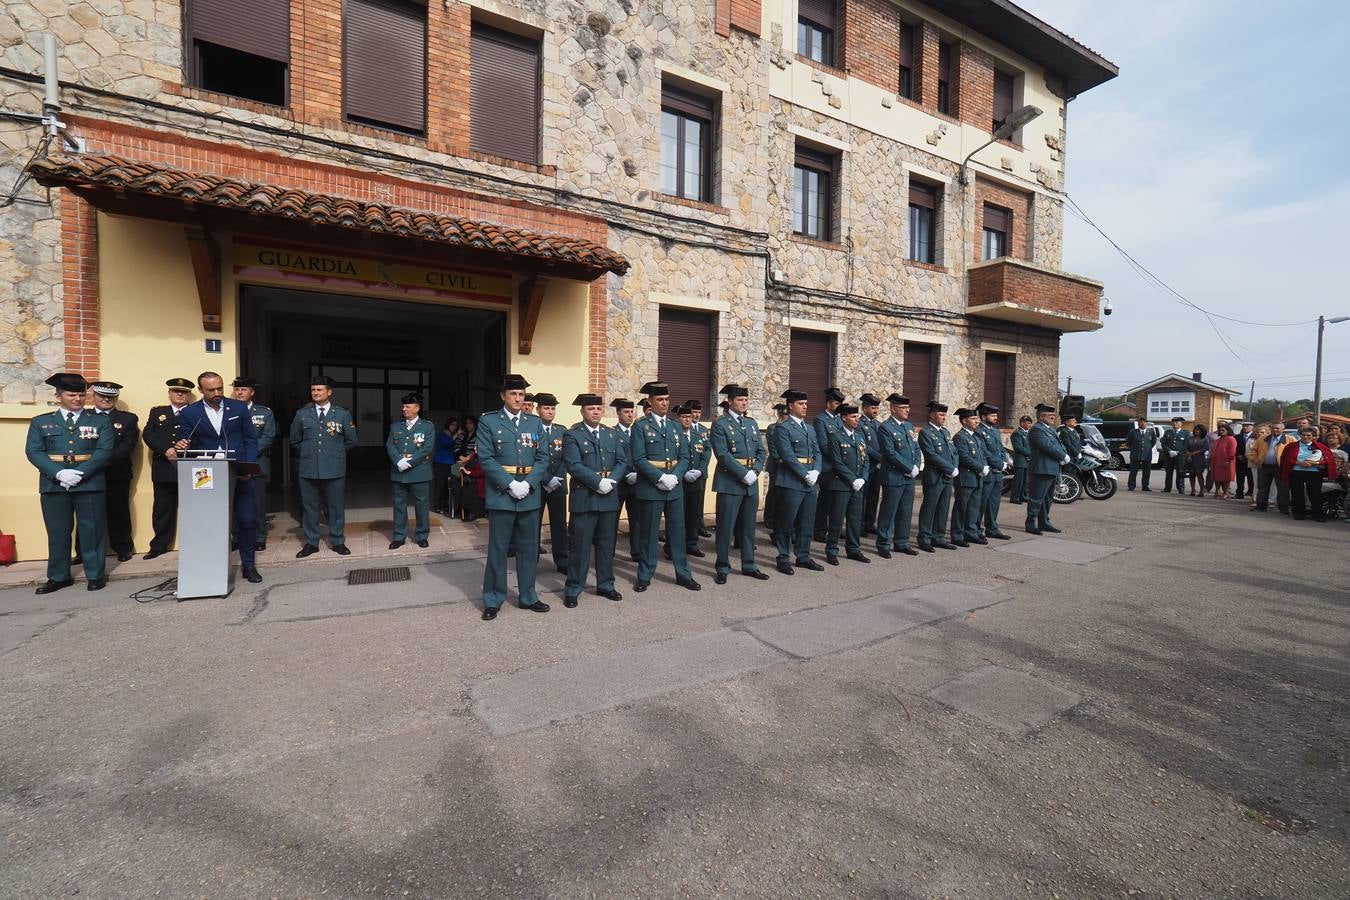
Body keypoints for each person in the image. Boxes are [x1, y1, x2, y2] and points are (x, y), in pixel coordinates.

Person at [26, 373, 114, 593]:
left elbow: (104, 451)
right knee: (57, 532)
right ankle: (58, 576)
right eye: (71, 394)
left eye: (82, 394)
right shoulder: (41, 422)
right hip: (53, 484)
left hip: (90, 482)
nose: (77, 399)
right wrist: (59, 474)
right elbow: (34, 451)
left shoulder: (100, 421)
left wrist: (79, 473)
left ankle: (95, 574)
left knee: (92, 531)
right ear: (58, 395)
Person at [477, 373, 551, 620]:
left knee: (529, 549)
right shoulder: (488, 422)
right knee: (498, 549)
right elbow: (486, 458)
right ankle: (493, 598)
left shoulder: (534, 423)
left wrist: (528, 484)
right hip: (502, 494)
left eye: (521, 394)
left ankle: (528, 596)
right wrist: (510, 484)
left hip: (529, 493)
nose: (518, 398)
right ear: (503, 396)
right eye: (513, 394)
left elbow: (543, 458)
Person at [176, 371, 262, 583]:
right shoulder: (190, 413)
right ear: (200, 390)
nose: (217, 393)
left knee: (247, 519)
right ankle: (212, 566)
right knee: (212, 521)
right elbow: (185, 438)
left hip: (239, 472)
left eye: (220, 388)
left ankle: (249, 565)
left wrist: (248, 467)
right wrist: (181, 444)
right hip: (208, 475)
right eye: (211, 390)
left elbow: (251, 440)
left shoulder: (239, 408)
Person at [631, 380, 700, 592]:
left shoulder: (675, 425)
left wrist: (675, 477)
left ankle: (683, 574)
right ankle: (645, 574)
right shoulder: (641, 426)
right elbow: (639, 458)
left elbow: (685, 456)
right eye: (659, 399)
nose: (664, 403)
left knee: (678, 533)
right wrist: (660, 477)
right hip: (652, 487)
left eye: (667, 399)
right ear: (649, 401)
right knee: (649, 534)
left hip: (674, 488)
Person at [561, 393, 626, 606]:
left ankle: (606, 584)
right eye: (591, 409)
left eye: (598, 408)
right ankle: (573, 587)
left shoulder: (611, 434)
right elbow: (573, 465)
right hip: (586, 498)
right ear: (582, 411)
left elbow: (622, 461)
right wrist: (598, 482)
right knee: (580, 546)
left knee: (607, 545)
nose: (596, 412)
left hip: (609, 497)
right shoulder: (573, 435)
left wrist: (613, 481)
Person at [289, 374, 357, 557]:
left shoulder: (342, 414)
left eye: (319, 390)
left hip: (334, 469)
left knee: (335, 507)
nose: (316, 393)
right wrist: (308, 454)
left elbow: (351, 440)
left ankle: (338, 541)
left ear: (329, 392)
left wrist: (335, 454)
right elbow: (295, 440)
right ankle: (311, 542)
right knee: (310, 507)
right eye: (313, 390)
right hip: (308, 468)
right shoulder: (302, 414)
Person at [709, 383, 769, 584]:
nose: (744, 403)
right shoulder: (720, 424)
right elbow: (723, 455)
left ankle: (749, 565)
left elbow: (761, 451)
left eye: (746, 400)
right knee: (726, 527)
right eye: (740, 400)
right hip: (730, 482)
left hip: (750, 482)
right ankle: (722, 566)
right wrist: (743, 473)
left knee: (748, 527)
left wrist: (756, 471)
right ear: (730, 402)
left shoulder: (751, 424)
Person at [771, 389, 824, 574]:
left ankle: (803, 556)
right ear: (791, 406)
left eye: (806, 404)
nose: (805, 407)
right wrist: (805, 474)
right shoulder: (783, 428)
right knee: (787, 522)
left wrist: (816, 470)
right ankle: (783, 557)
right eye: (801, 404)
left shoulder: (809, 428)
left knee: (806, 522)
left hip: (810, 480)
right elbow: (787, 455)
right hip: (792, 481)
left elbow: (817, 451)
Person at [141, 377, 194, 560]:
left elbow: (205, 434)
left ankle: (195, 543)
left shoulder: (197, 412)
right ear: (169, 393)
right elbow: (148, 433)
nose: (180, 394)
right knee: (162, 509)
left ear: (189, 395)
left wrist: (189, 444)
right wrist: (165, 449)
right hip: (164, 466)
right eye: (176, 391)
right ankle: (159, 545)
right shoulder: (158, 412)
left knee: (194, 508)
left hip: (189, 466)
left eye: (184, 392)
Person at [88, 381, 139, 562]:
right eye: (102, 396)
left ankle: (123, 548)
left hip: (116, 473)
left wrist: (101, 462)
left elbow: (126, 446)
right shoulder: (84, 417)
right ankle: (84, 550)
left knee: (119, 513)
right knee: (88, 514)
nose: (107, 399)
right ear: (93, 397)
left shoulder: (128, 419)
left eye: (111, 396)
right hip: (88, 475)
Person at [823, 403, 870, 564]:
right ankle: (831, 550)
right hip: (841, 485)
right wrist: (852, 479)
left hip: (858, 486)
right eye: (853, 417)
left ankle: (853, 549)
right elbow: (836, 462)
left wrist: (863, 478)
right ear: (844, 418)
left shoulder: (859, 436)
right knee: (836, 519)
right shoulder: (835, 436)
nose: (857, 420)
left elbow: (866, 460)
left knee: (855, 519)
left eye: (857, 416)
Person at [386, 392, 435, 550]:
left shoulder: (427, 426)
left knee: (421, 505)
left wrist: (410, 462)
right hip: (398, 471)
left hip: (419, 471)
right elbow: (390, 445)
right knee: (399, 505)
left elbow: (427, 448)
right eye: (403, 406)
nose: (404, 409)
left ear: (417, 408)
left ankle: (421, 535)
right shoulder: (396, 426)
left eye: (408, 406)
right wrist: (399, 461)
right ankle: (399, 536)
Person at [232, 377, 275, 551]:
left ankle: (259, 536)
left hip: (256, 462)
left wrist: (249, 453)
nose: (239, 392)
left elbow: (268, 436)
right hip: (234, 463)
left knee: (257, 503)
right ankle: (236, 536)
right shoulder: (227, 411)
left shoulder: (264, 412)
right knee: (235, 501)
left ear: (252, 392)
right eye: (237, 389)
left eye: (243, 389)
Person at [876, 394, 920, 557]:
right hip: (893, 476)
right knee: (889, 511)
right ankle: (883, 544)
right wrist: (909, 467)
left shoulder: (908, 426)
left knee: (905, 511)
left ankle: (901, 542)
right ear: (893, 409)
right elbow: (890, 453)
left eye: (908, 408)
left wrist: (915, 465)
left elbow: (916, 448)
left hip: (909, 477)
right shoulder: (885, 427)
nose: (907, 410)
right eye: (903, 408)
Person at [917, 401, 959, 552]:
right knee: (930, 508)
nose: (944, 417)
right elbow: (931, 455)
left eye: (944, 415)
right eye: (941, 414)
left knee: (943, 508)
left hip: (947, 476)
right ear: (932, 415)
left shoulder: (945, 432)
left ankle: (938, 537)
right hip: (934, 476)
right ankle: (924, 538)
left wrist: (954, 467)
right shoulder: (926, 433)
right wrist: (949, 468)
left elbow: (954, 452)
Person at [536, 393, 570, 573]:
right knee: (534, 523)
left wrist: (557, 478)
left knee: (559, 524)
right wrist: (546, 479)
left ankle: (562, 561)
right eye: (546, 408)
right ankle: (531, 559)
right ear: (538, 410)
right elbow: (532, 459)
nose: (550, 412)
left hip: (558, 484)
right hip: (537, 485)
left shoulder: (562, 430)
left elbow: (567, 457)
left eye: (553, 408)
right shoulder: (532, 429)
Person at [1026, 403, 1068, 535]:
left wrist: (1064, 454)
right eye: (1050, 416)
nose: (1053, 418)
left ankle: (1044, 522)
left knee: (1047, 499)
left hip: (1051, 468)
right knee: (1036, 498)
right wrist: (1062, 456)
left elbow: (1058, 445)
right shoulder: (1037, 429)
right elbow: (1047, 446)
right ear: (1042, 416)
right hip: (1041, 468)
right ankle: (1031, 523)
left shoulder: (1050, 429)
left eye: (1053, 415)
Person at [1280, 426, 1339, 521]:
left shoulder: (1321, 447)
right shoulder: (1291, 446)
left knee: (1315, 494)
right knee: (1297, 493)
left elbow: (1328, 460)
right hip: (1297, 471)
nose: (1305, 437)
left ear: (1313, 436)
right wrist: (1299, 463)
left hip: (1314, 473)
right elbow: (1285, 459)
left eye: (1308, 435)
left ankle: (1317, 514)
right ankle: (1299, 513)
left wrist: (1314, 463)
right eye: (1303, 435)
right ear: (1300, 435)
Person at [676, 401, 711, 559]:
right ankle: (673, 545)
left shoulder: (699, 435)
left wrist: (700, 470)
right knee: (677, 516)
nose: (688, 420)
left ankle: (691, 544)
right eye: (684, 417)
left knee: (693, 514)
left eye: (689, 417)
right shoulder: (673, 435)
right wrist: (681, 473)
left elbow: (705, 454)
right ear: (678, 418)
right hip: (679, 482)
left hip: (695, 480)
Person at [950, 408, 988, 547]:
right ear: (964, 421)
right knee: (961, 507)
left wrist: (984, 466)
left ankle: (971, 532)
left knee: (974, 507)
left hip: (977, 477)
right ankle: (957, 535)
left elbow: (982, 455)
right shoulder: (960, 437)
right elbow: (964, 457)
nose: (977, 421)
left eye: (977, 418)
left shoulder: (975, 437)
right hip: (965, 478)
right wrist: (980, 467)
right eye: (973, 419)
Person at [610, 398, 641, 560]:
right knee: (612, 520)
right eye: (626, 412)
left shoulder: (639, 431)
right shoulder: (612, 433)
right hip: (619, 484)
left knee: (636, 520)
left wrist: (638, 474)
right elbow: (612, 459)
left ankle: (636, 552)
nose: (630, 415)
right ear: (618, 413)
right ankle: (609, 553)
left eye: (632, 412)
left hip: (636, 482)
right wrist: (624, 475)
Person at [813, 387, 845, 541]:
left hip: (840, 466)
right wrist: (841, 458)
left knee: (836, 501)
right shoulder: (820, 419)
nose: (839, 406)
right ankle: (819, 530)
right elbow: (824, 445)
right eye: (836, 403)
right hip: (828, 466)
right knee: (825, 500)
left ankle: (833, 529)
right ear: (829, 403)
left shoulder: (839, 420)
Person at [975, 403, 1011, 540]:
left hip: (998, 472)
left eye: (996, 415)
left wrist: (1004, 462)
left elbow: (1000, 449)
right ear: (983, 417)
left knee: (994, 502)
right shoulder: (979, 431)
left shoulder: (995, 430)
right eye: (992, 415)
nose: (996, 417)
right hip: (987, 471)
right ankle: (976, 529)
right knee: (981, 502)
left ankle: (992, 528)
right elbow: (984, 452)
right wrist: (998, 463)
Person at [857, 393, 884, 536]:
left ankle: (869, 522)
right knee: (863, 496)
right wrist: (880, 458)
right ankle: (859, 525)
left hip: (878, 466)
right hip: (866, 465)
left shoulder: (878, 424)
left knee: (874, 496)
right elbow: (864, 446)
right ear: (864, 408)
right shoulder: (859, 424)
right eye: (873, 408)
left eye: (877, 408)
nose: (875, 411)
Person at [762, 402, 787, 532]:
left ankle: (779, 517)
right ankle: (769, 517)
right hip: (776, 465)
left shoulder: (788, 428)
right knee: (773, 492)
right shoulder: (773, 428)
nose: (785, 417)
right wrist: (782, 460)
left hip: (787, 465)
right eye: (783, 414)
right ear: (778, 414)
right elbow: (773, 449)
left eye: (786, 414)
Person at [432, 417, 460, 516]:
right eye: (452, 425)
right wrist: (456, 436)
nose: (454, 427)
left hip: (451, 463)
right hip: (441, 463)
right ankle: (437, 506)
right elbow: (448, 444)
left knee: (448, 486)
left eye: (456, 425)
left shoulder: (453, 435)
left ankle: (445, 505)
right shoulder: (442, 435)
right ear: (448, 425)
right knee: (440, 485)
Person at [1126, 416, 1157, 491]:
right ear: (1138, 423)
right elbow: (1128, 442)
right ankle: (1131, 486)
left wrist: (1147, 449)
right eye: (1141, 422)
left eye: (1144, 422)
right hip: (1135, 454)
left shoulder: (1151, 432)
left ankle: (1145, 486)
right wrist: (1135, 449)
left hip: (1147, 455)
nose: (1143, 423)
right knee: (1133, 471)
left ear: (1147, 423)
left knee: (1146, 472)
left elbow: (1153, 442)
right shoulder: (1133, 432)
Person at [1209, 422, 1238, 500]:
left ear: (1228, 430)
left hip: (1226, 461)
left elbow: (1232, 451)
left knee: (1225, 478)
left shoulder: (1231, 439)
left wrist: (1228, 461)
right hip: (1216, 461)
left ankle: (1226, 492)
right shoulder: (1218, 440)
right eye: (1220, 430)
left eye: (1223, 430)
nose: (1221, 431)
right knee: (1217, 477)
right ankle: (1217, 492)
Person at [1159, 417, 1189, 493]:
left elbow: (1186, 445)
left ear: (1181, 424)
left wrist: (1178, 452)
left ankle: (1181, 489)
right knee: (1168, 472)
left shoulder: (1186, 433)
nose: (1175, 424)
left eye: (1177, 422)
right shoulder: (1167, 432)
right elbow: (1164, 443)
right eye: (1173, 422)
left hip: (1180, 456)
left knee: (1180, 472)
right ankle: (1167, 488)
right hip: (1169, 455)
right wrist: (1169, 451)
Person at [1009, 415, 1032, 503]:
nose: (1029, 425)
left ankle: (1023, 496)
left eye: (1030, 423)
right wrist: (1030, 453)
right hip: (1020, 460)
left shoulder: (1027, 433)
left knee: (1025, 480)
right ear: (1022, 423)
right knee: (1018, 480)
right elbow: (1018, 447)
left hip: (1027, 460)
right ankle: (1015, 497)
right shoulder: (1017, 433)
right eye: (1028, 423)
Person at [1184, 424, 1209, 497]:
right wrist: (1188, 455)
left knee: (1199, 474)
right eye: (1196, 429)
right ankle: (1192, 490)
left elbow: (1204, 449)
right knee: (1191, 475)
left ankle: (1201, 491)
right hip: (1190, 459)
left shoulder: (1204, 439)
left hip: (1199, 459)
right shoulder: (1189, 438)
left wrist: (1193, 453)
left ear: (1202, 431)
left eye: (1199, 430)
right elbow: (1185, 447)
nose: (1197, 431)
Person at [1234, 422, 1255, 500]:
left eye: (1247, 426)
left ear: (1252, 427)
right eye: (1243, 426)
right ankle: (1239, 493)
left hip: (1251, 460)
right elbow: (1234, 448)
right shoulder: (1237, 437)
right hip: (1240, 461)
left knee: (1251, 478)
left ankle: (1251, 492)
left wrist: (1250, 456)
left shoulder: (1255, 437)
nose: (1245, 427)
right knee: (1240, 478)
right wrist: (1238, 455)